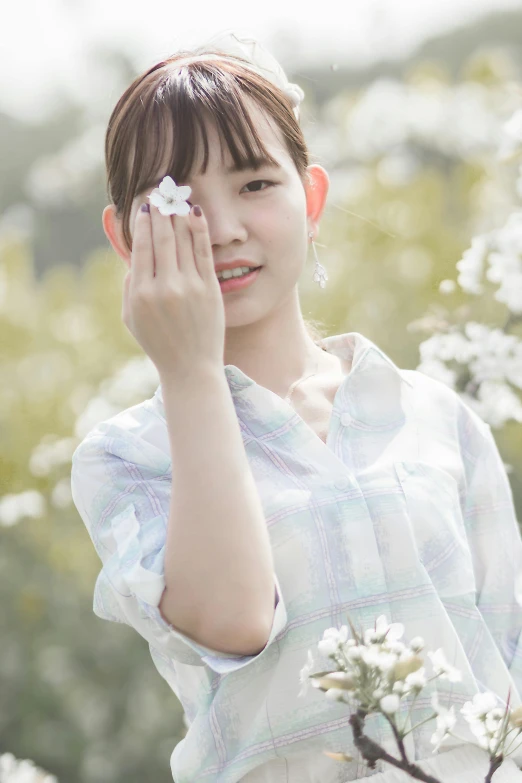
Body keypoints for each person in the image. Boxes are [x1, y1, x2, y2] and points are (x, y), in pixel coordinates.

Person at [70, 30, 522, 782]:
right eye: (176, 201)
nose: (222, 230)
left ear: (310, 197)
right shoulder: (131, 454)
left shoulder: (436, 419)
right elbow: (235, 620)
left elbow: (509, 650)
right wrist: (188, 372)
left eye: (254, 184)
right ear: (125, 236)